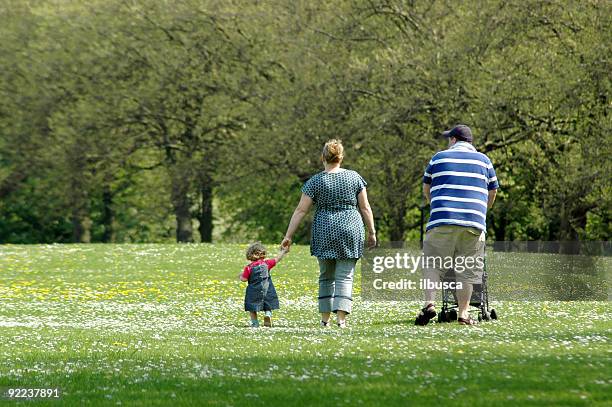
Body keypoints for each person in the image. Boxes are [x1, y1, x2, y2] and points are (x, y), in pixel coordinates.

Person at [281, 139, 376, 328]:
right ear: (341, 157)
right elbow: (365, 207)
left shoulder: (315, 181)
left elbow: (301, 210)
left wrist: (288, 236)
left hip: (324, 229)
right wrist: (372, 232)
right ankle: (341, 320)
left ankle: (325, 320)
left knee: (326, 276)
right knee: (345, 276)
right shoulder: (354, 177)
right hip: (350, 228)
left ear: (322, 157)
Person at [416, 125, 499, 326]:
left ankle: (429, 304)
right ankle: (463, 313)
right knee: (466, 269)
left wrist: (434, 205)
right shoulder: (484, 160)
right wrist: (481, 212)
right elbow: (492, 191)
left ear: (453, 140)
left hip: (442, 219)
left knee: (432, 264)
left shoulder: (438, 158)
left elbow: (426, 188)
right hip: (473, 222)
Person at [239, 242, 287, 327]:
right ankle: (268, 314)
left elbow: (244, 279)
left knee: (252, 307)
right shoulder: (267, 263)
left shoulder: (249, 267)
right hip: (267, 289)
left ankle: (255, 323)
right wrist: (283, 251)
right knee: (267, 303)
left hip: (254, 291)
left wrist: (240, 276)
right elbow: (277, 259)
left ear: (250, 255)